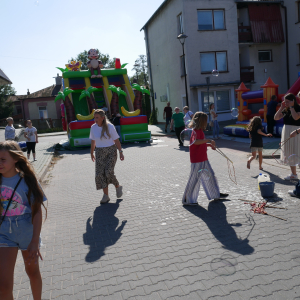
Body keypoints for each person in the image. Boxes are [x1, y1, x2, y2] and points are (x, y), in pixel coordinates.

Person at [0, 141, 47, 300]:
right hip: (4, 233)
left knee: (32, 273)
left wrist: (34, 241)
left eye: (3, 159)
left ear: (15, 159)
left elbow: (37, 213)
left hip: (27, 231)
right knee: (3, 286)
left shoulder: (28, 180)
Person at [182, 111, 228, 205]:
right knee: (194, 179)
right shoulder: (195, 131)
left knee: (211, 175)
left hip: (203, 158)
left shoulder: (199, 131)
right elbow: (195, 142)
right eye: (205, 120)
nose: (206, 122)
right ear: (201, 121)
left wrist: (208, 144)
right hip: (197, 159)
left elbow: (200, 143)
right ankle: (188, 199)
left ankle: (215, 194)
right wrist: (208, 140)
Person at [90, 109, 124, 204]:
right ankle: (106, 196)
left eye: (97, 117)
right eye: (94, 117)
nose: (95, 119)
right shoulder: (93, 127)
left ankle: (117, 186)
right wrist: (92, 152)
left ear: (102, 118)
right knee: (100, 174)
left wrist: (121, 152)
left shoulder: (110, 127)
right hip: (99, 152)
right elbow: (93, 141)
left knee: (108, 172)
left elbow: (116, 140)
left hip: (111, 151)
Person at [274, 93, 300, 180]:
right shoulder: (285, 110)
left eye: (288, 102)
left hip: (296, 132)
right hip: (286, 132)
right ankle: (294, 174)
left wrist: (292, 107)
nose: (286, 103)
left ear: (293, 101)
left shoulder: (298, 108)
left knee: (297, 151)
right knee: (289, 152)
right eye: (285, 102)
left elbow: (296, 117)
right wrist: (281, 108)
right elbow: (276, 118)